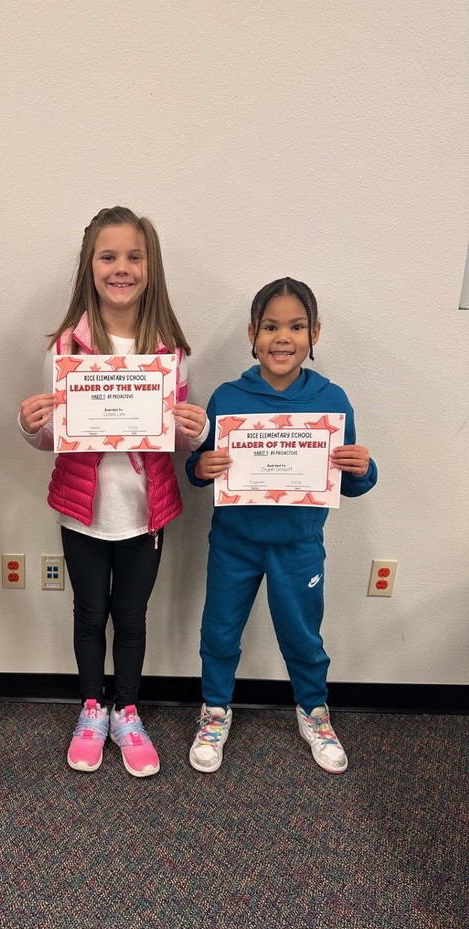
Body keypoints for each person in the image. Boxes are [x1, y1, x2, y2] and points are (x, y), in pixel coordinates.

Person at [19, 206, 209, 777]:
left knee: (131, 617)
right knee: (87, 613)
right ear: (90, 266)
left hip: (144, 513)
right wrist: (34, 428)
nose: (121, 268)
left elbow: (172, 439)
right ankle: (91, 707)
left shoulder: (168, 349)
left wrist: (191, 433)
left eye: (133, 256)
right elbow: (55, 438)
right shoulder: (65, 348)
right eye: (109, 257)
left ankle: (127, 708)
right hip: (83, 513)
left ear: (150, 267)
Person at [186, 277, 377, 776]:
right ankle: (214, 710)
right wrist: (199, 468)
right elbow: (202, 468)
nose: (282, 338)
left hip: (299, 545)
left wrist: (363, 468)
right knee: (220, 631)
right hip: (234, 543)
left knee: (302, 635)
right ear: (253, 332)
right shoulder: (228, 398)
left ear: (314, 333)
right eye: (270, 326)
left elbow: (350, 483)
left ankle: (313, 711)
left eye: (295, 326)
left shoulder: (331, 399)